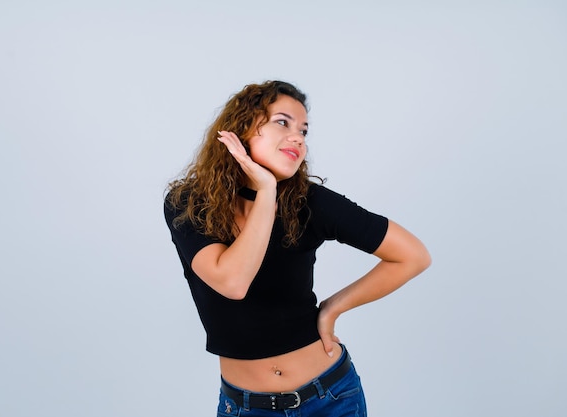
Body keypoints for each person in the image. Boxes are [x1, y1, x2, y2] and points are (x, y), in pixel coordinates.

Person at [164, 80, 431, 416]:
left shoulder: (310, 202)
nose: (298, 138)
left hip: (331, 398)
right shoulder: (188, 203)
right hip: (245, 407)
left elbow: (413, 256)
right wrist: (265, 190)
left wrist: (332, 308)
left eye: (304, 131)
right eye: (282, 122)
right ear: (241, 127)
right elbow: (232, 282)